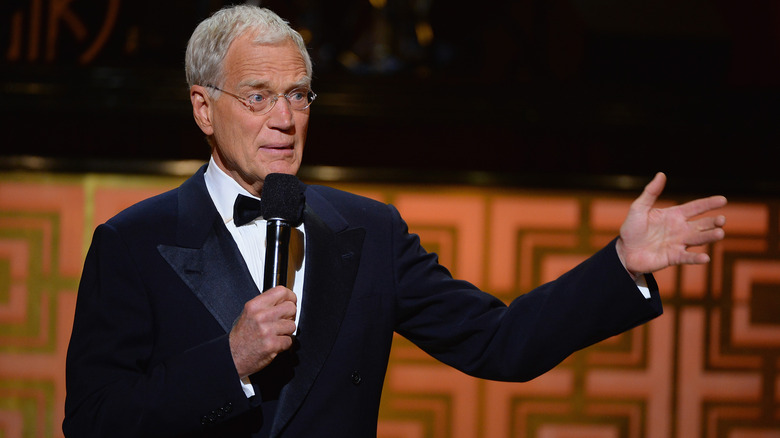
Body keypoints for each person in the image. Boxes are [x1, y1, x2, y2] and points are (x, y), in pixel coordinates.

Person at [63, 5, 728, 438]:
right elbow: (92, 422)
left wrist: (620, 265)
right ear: (204, 109)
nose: (285, 119)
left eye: (298, 95)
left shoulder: (370, 233)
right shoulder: (132, 242)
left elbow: (499, 342)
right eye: (259, 96)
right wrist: (229, 362)